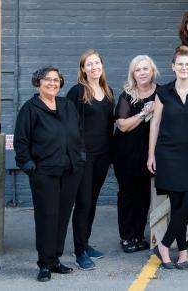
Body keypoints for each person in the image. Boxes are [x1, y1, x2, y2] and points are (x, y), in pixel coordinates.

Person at [147, 46, 188, 270]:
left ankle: (165, 245)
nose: (184, 68)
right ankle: (183, 252)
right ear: (173, 67)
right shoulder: (163, 92)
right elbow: (155, 123)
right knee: (177, 205)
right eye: (180, 64)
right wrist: (151, 154)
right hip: (168, 154)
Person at [15, 67, 84, 282]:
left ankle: (55, 260)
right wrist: (28, 165)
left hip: (71, 170)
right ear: (38, 82)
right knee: (47, 217)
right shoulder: (30, 108)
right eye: (48, 79)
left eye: (56, 80)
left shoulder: (67, 105)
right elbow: (21, 141)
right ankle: (44, 263)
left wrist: (80, 156)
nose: (52, 83)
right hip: (44, 173)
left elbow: (78, 132)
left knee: (62, 216)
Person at [67, 49, 115, 270]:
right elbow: (68, 126)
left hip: (103, 156)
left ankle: (85, 243)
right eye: (90, 64)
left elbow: (109, 125)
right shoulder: (77, 92)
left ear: (102, 66)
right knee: (84, 202)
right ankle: (79, 252)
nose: (94, 67)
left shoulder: (107, 91)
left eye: (97, 63)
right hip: (83, 157)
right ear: (83, 69)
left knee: (92, 201)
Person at [113, 55, 160, 253]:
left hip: (147, 152)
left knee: (143, 195)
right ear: (133, 73)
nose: (142, 73)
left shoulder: (160, 93)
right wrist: (143, 113)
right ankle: (126, 237)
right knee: (127, 194)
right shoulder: (127, 94)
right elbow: (122, 125)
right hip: (125, 152)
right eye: (138, 69)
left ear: (152, 72)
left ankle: (138, 236)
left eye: (145, 69)